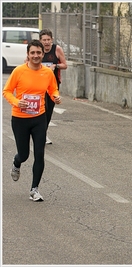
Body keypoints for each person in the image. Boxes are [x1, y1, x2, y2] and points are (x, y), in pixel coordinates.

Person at [3, 39, 61, 202]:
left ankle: (34, 189)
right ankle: (16, 162)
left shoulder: (47, 72)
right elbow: (6, 91)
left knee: (40, 154)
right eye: (32, 53)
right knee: (24, 154)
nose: (36, 56)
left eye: (38, 53)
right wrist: (16, 101)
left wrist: (55, 96)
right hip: (20, 119)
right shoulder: (19, 71)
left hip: (39, 118)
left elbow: (52, 88)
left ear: (43, 54)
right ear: (28, 55)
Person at [39, 28, 67, 144]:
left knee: (49, 110)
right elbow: (27, 62)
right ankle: (39, 134)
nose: (46, 42)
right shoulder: (37, 50)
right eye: (44, 40)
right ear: (40, 41)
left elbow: (65, 65)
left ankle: (43, 133)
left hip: (53, 86)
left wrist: (55, 66)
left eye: (48, 40)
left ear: (52, 40)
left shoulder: (57, 49)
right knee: (41, 110)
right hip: (39, 85)